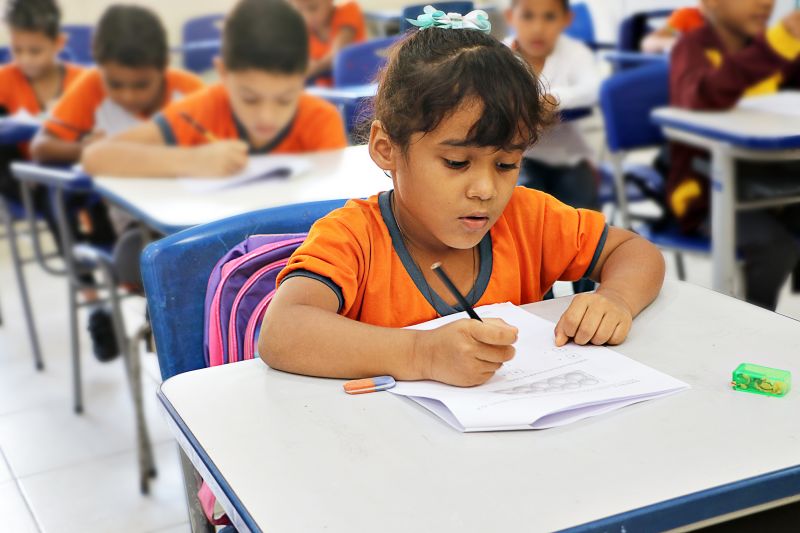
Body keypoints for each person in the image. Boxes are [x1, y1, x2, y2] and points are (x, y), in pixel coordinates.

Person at [259, 9, 666, 387]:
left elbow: (633, 250)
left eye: (506, 164)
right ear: (387, 149)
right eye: (456, 162)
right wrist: (421, 354)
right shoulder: (353, 238)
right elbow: (283, 332)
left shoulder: (529, 219)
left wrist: (616, 298)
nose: (485, 189)